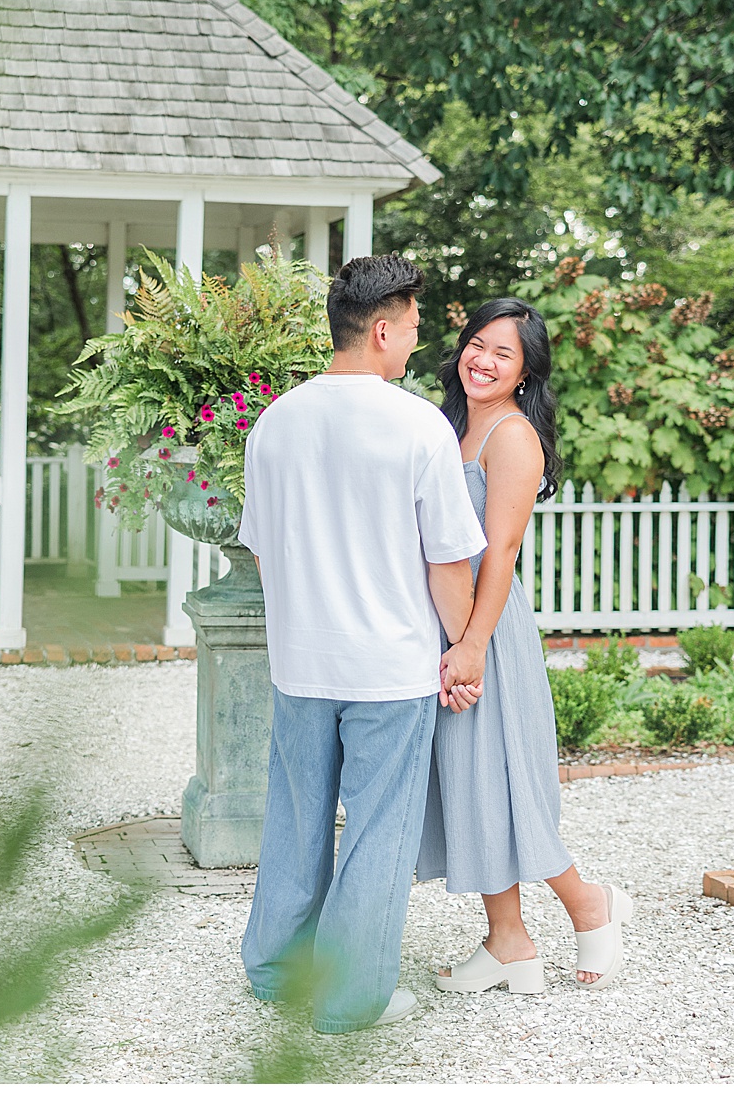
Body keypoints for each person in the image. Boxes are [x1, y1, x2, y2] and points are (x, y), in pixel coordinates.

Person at [237, 254, 487, 1034]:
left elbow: (259, 547)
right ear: (380, 330)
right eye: (413, 328)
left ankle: (278, 973)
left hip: (301, 661)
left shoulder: (275, 421)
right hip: (390, 666)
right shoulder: (418, 425)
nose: (417, 343)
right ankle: (349, 1000)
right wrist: (465, 648)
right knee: (379, 830)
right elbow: (447, 562)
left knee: (297, 819)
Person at [418, 297, 634, 994]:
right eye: (476, 344)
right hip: (448, 620)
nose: (482, 359)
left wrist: (473, 643)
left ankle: (586, 902)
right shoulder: (449, 422)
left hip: (487, 625)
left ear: (525, 371)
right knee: (474, 782)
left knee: (505, 783)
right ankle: (508, 941)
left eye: (502, 352)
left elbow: (502, 549)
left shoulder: (511, 436)